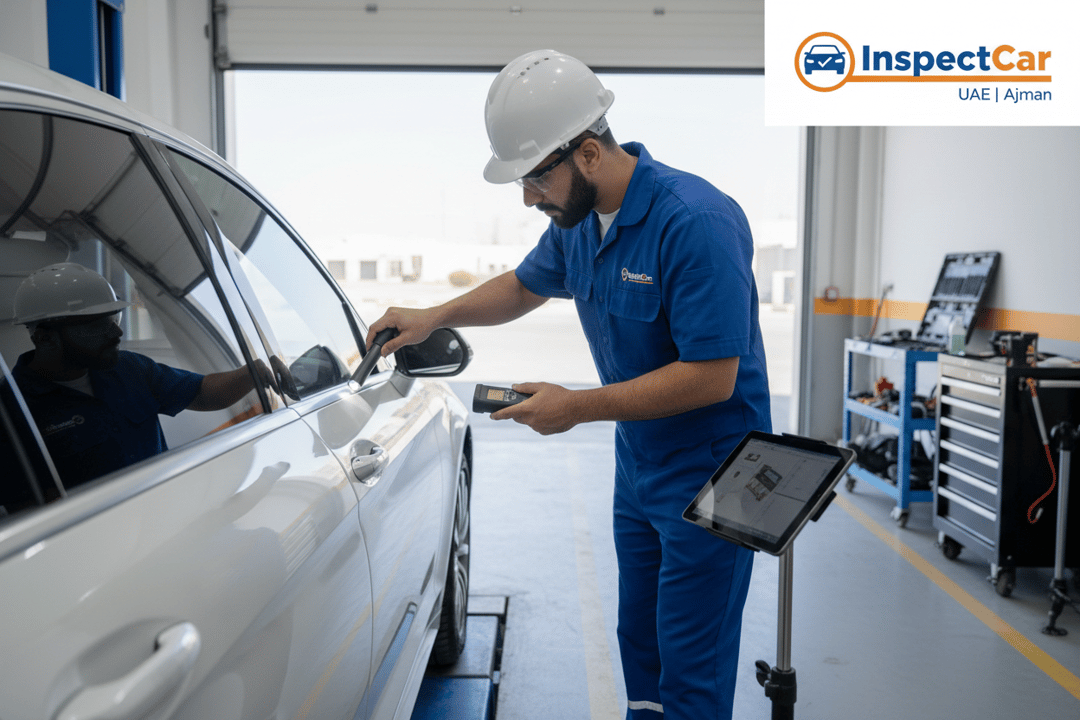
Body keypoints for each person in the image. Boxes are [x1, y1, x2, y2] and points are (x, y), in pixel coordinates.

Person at [367, 50, 771, 720]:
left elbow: (712, 377)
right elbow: (525, 286)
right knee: (639, 639)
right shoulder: (578, 223)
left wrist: (577, 407)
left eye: (534, 178)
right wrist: (434, 315)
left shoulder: (695, 221)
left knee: (692, 660)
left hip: (715, 468)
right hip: (640, 463)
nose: (528, 198)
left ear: (587, 154)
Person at [8, 262, 278, 489]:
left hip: (163, 512)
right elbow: (25, 508)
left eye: (115, 320)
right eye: (96, 327)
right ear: (44, 338)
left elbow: (203, 394)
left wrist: (252, 373)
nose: (117, 334)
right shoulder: (11, 409)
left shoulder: (129, 369)